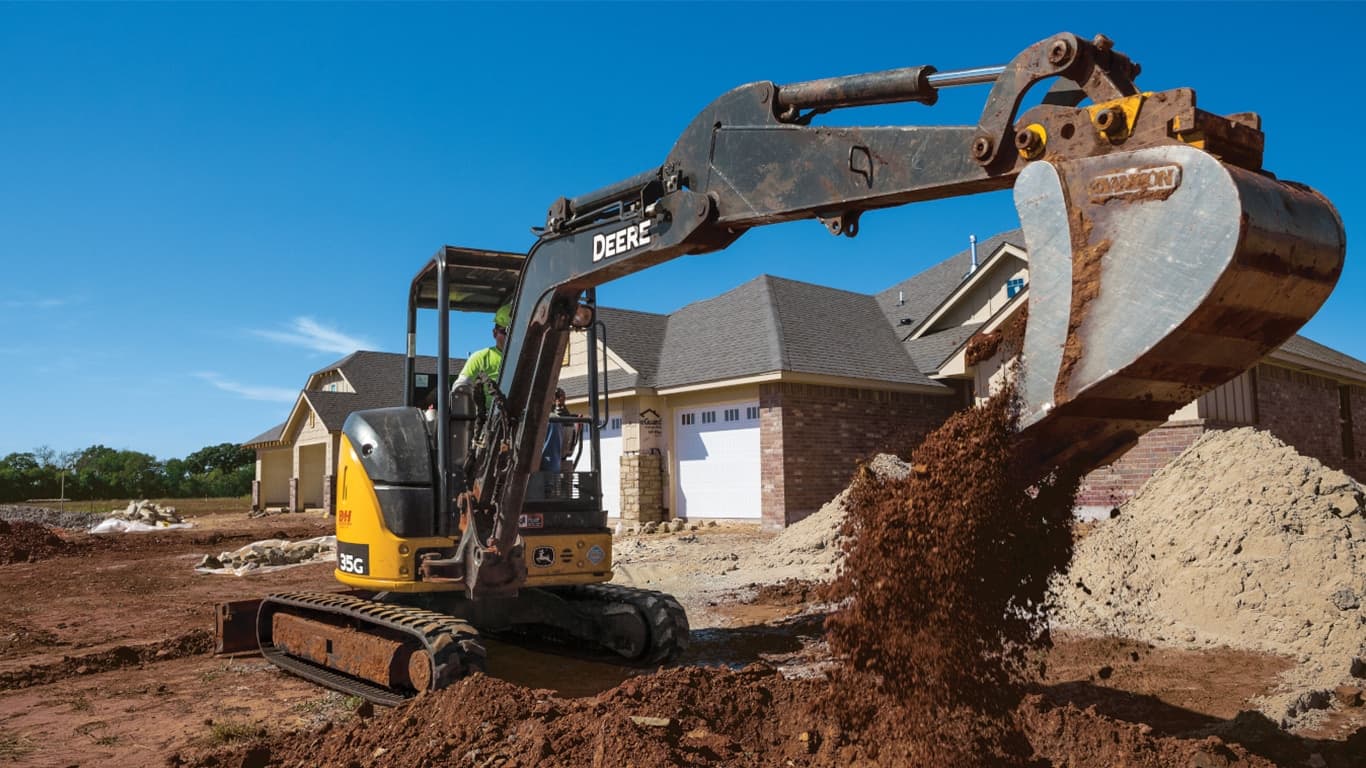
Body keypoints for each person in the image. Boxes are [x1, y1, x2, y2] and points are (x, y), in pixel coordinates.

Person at [452, 303, 512, 409]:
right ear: (494, 333)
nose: (510, 336)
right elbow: (461, 388)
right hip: (488, 416)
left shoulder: (529, 358)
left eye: (515, 331)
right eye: (505, 332)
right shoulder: (480, 358)